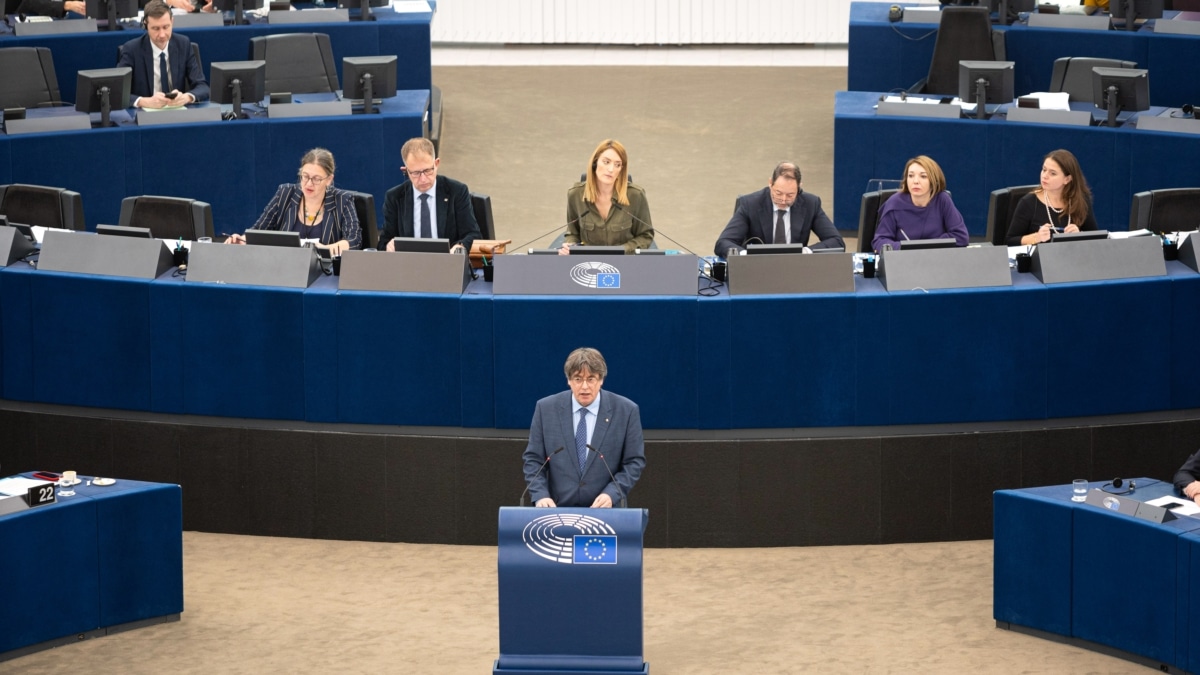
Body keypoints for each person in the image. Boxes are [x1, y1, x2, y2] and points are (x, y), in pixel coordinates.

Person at [522, 347, 645, 509]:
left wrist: (613, 493)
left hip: (606, 514)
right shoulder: (545, 409)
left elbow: (634, 462)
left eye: (591, 379)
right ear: (569, 380)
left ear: (601, 380)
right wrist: (540, 496)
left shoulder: (626, 411)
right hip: (557, 511)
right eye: (578, 379)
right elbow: (533, 460)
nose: (585, 387)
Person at [226, 147, 361, 255]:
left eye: (316, 179)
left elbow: (354, 240)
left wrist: (324, 250)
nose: (309, 184)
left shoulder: (343, 200)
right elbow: (258, 230)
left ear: (329, 180)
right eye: (305, 176)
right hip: (285, 268)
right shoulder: (285, 194)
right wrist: (242, 240)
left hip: (325, 271)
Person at [713, 161, 843, 256]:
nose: (784, 199)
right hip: (759, 269)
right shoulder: (750, 203)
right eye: (778, 193)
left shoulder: (811, 203)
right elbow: (723, 243)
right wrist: (746, 255)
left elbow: (836, 241)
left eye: (790, 195)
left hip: (796, 268)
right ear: (770, 183)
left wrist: (806, 252)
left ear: (799, 187)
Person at [379, 138, 480, 254]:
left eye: (427, 171)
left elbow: (473, 234)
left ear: (436, 164)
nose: (423, 179)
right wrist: (389, 246)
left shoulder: (456, 191)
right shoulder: (395, 197)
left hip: (448, 263)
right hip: (409, 266)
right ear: (406, 170)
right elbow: (383, 242)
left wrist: (460, 247)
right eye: (416, 173)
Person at [561, 139, 653, 254]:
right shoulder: (575, 195)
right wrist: (571, 246)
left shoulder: (636, 196)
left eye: (617, 165)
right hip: (589, 262)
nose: (611, 169)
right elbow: (573, 233)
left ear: (621, 170)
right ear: (595, 163)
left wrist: (621, 251)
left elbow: (645, 235)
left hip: (625, 260)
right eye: (606, 162)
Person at [116, 0, 210, 110]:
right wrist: (143, 101)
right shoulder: (132, 49)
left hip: (176, 112)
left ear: (172, 21)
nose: (162, 34)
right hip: (144, 115)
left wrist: (186, 97)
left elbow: (202, 86)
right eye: (155, 28)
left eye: (166, 27)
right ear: (146, 25)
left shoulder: (183, 44)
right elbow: (117, 90)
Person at [872, 155, 969, 253]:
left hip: (936, 259)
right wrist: (907, 248)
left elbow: (961, 236)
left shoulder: (942, 200)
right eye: (910, 176)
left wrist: (925, 247)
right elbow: (880, 241)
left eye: (923, 176)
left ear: (934, 181)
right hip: (904, 261)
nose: (915, 181)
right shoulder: (894, 203)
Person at [1005, 149, 1098, 247]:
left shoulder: (1081, 200)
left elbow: (1097, 239)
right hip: (1039, 260)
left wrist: (1079, 235)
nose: (1045, 176)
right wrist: (1036, 237)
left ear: (1067, 179)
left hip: (1072, 258)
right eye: (1044, 170)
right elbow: (1010, 241)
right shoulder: (1028, 203)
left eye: (1052, 173)